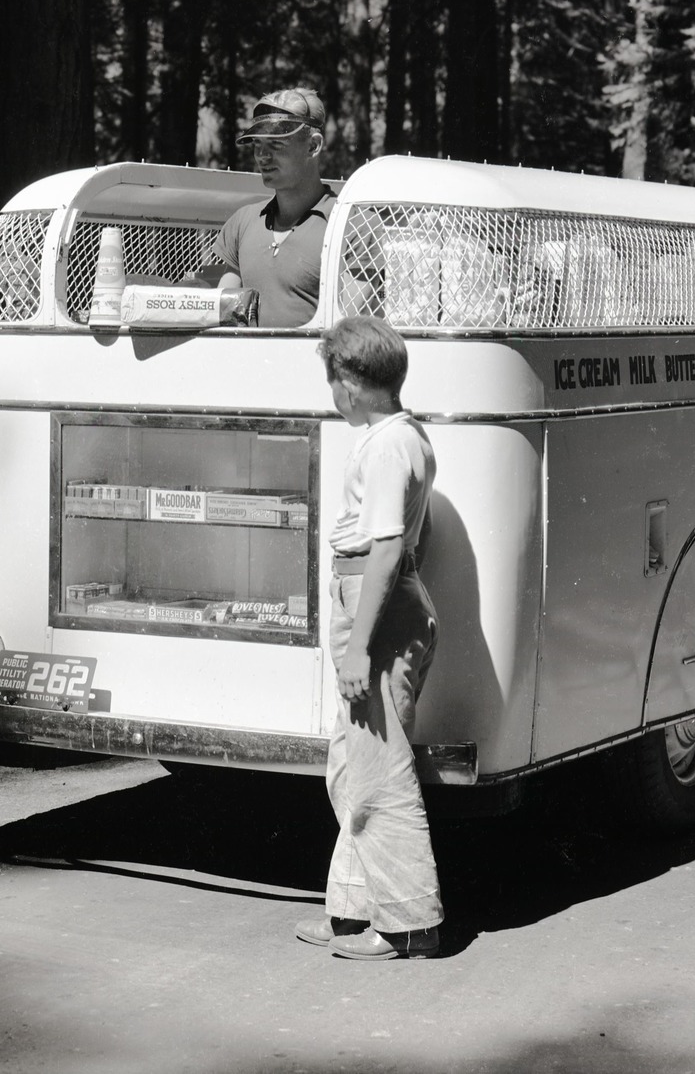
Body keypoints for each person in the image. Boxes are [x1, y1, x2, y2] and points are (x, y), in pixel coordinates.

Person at [297, 315, 443, 959]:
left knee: (379, 769)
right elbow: (418, 536)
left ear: (352, 384)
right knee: (350, 763)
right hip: (379, 600)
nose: (332, 392)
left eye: (333, 379)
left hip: (374, 608)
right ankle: (356, 905)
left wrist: (360, 645)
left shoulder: (386, 445)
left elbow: (386, 549)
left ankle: (411, 923)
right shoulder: (403, 436)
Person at [194, 86, 337, 326]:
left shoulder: (346, 223)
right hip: (247, 362)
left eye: (276, 144)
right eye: (257, 145)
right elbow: (223, 318)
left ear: (313, 146)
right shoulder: (243, 221)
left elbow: (353, 329)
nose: (262, 156)